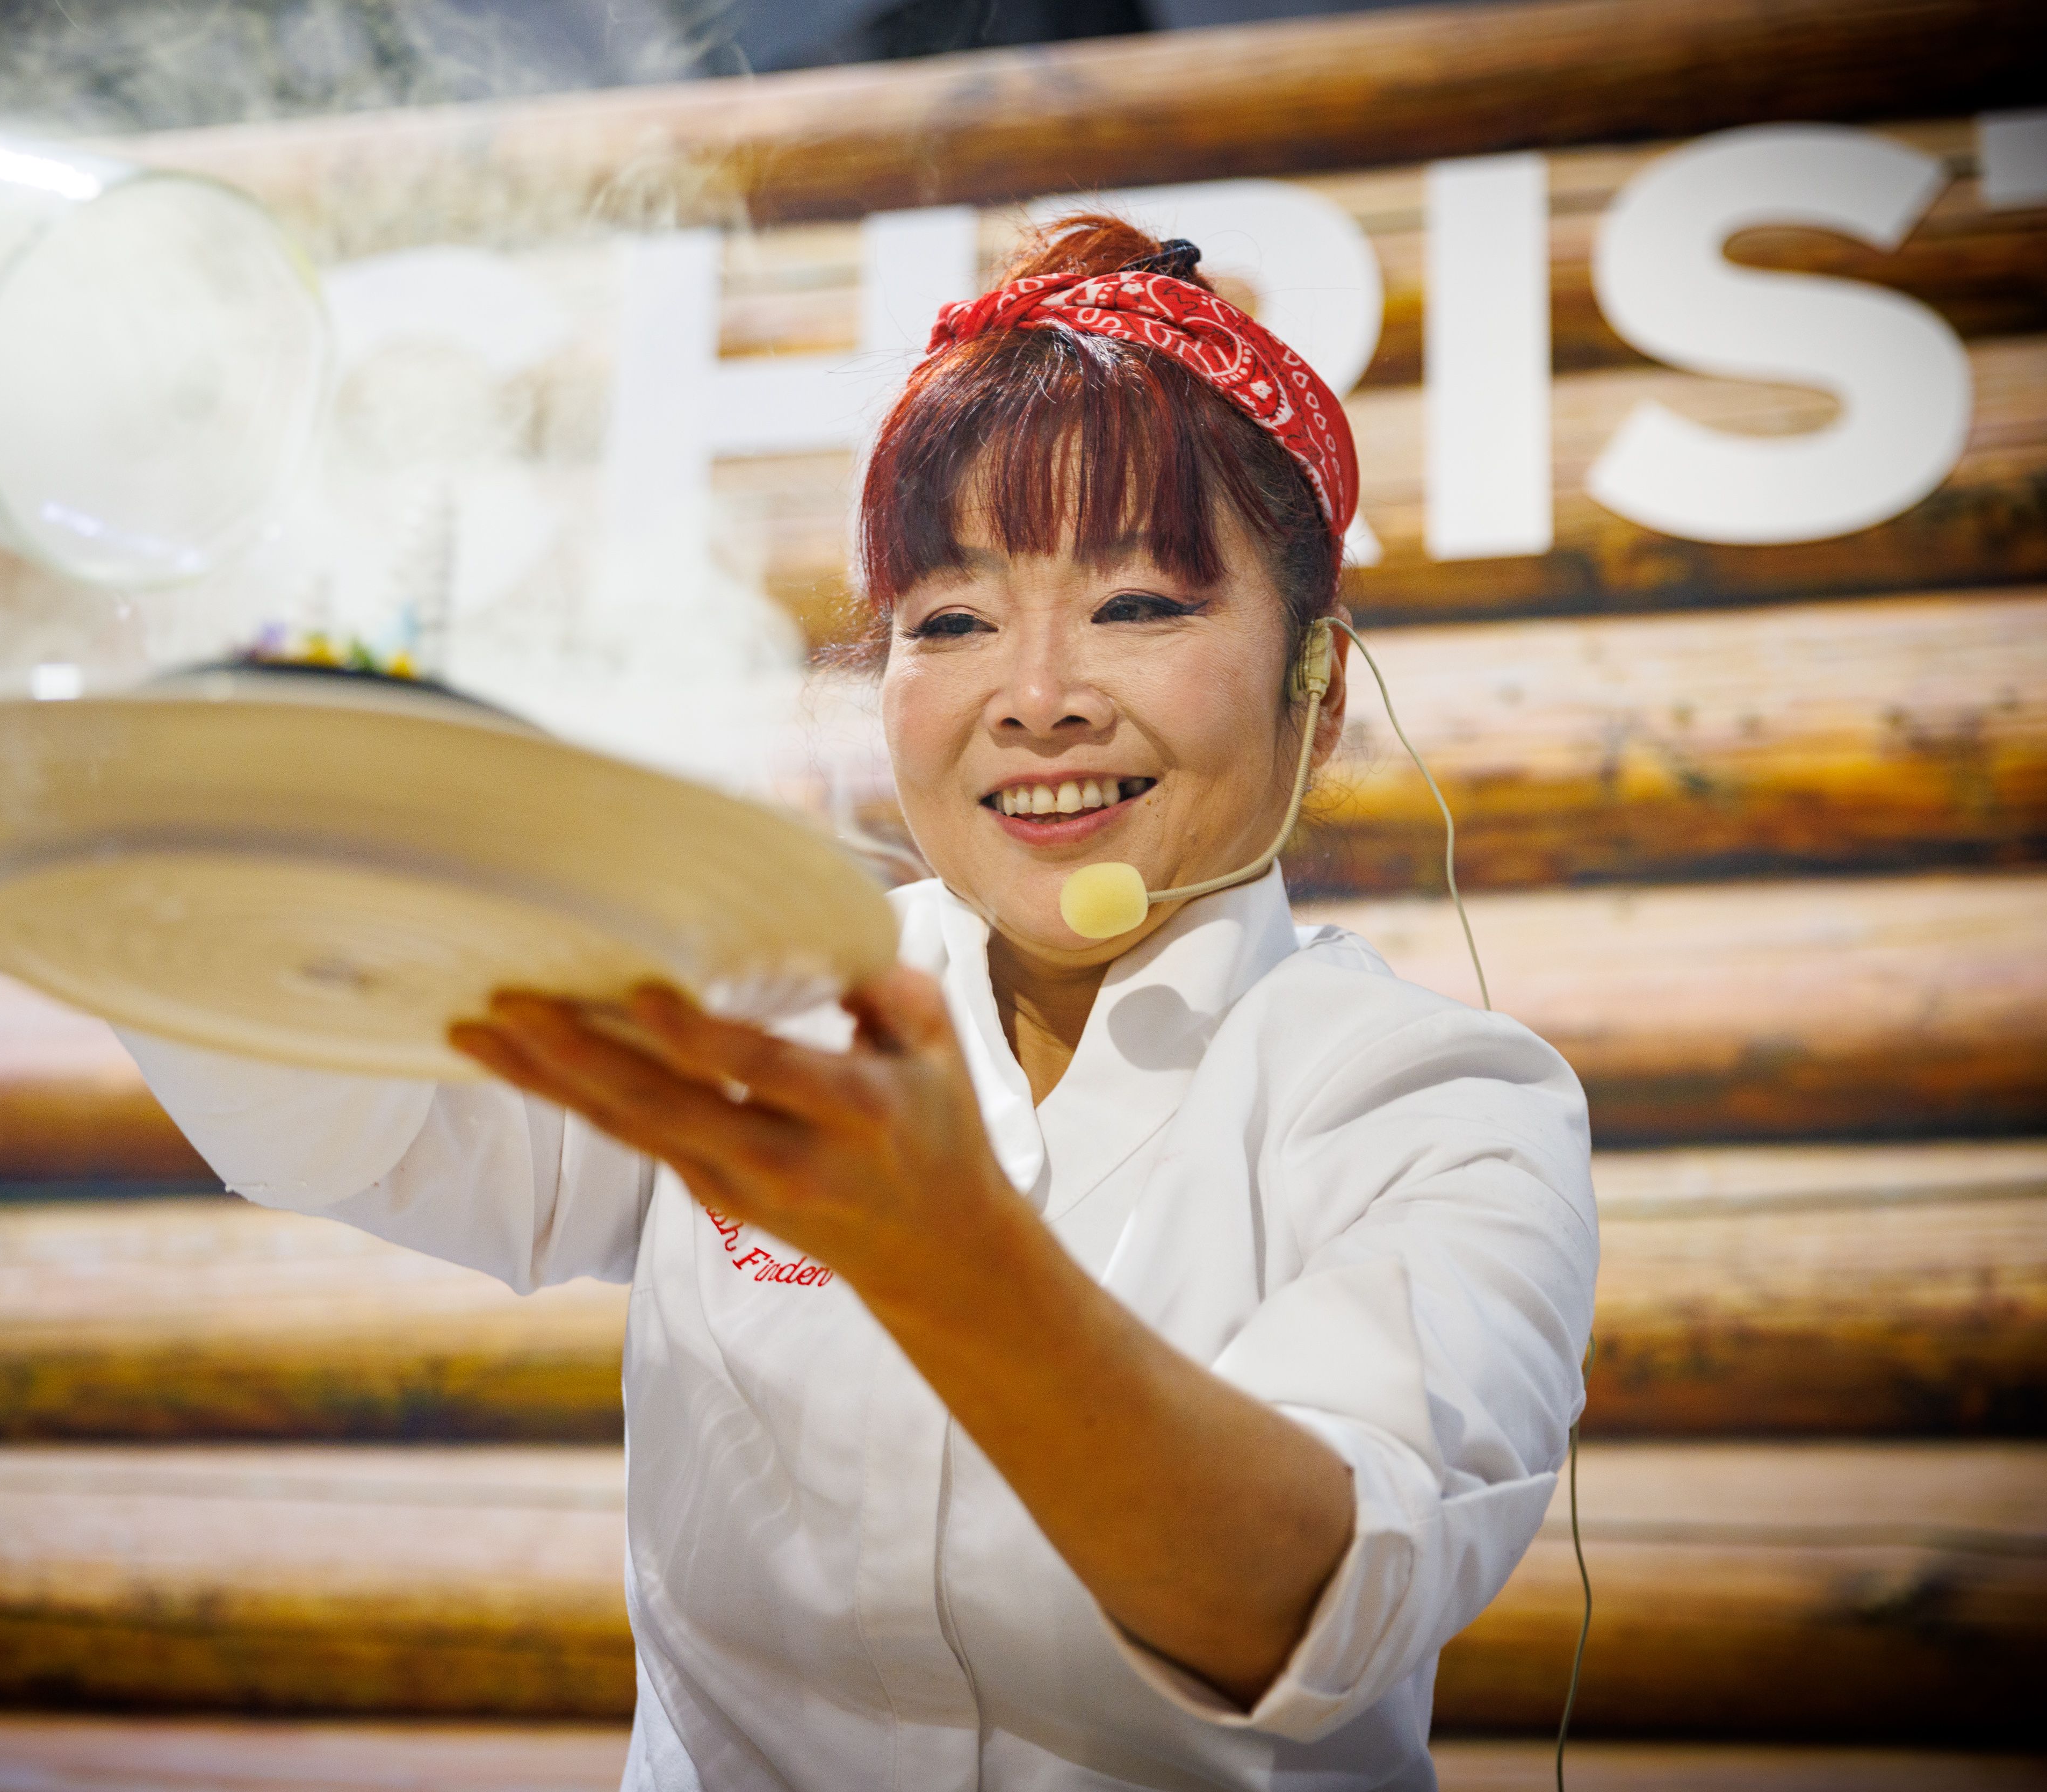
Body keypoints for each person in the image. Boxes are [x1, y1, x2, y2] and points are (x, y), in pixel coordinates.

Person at [119, 215, 1597, 1791]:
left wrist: (943, 1255)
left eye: (1142, 608)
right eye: (950, 622)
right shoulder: (765, 985)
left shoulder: (1439, 1104)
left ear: (1320, 677)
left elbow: (1307, 1608)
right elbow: (356, 1123)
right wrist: (162, 801)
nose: (1037, 697)